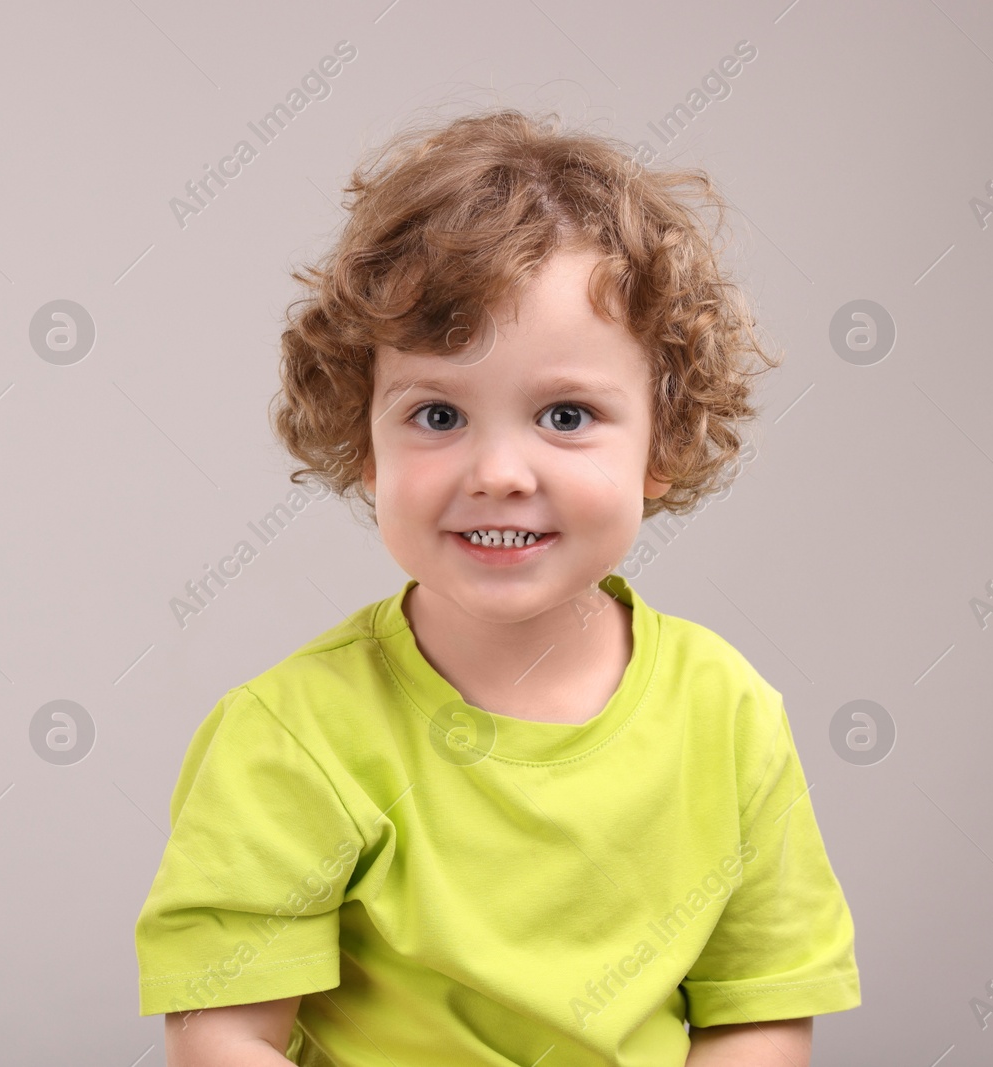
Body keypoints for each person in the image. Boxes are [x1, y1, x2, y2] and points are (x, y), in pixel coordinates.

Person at [133, 107, 860, 1067]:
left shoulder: (727, 713)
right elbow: (223, 1033)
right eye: (438, 413)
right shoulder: (293, 734)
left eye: (566, 413)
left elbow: (758, 1011)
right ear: (364, 441)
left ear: (665, 441)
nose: (500, 472)